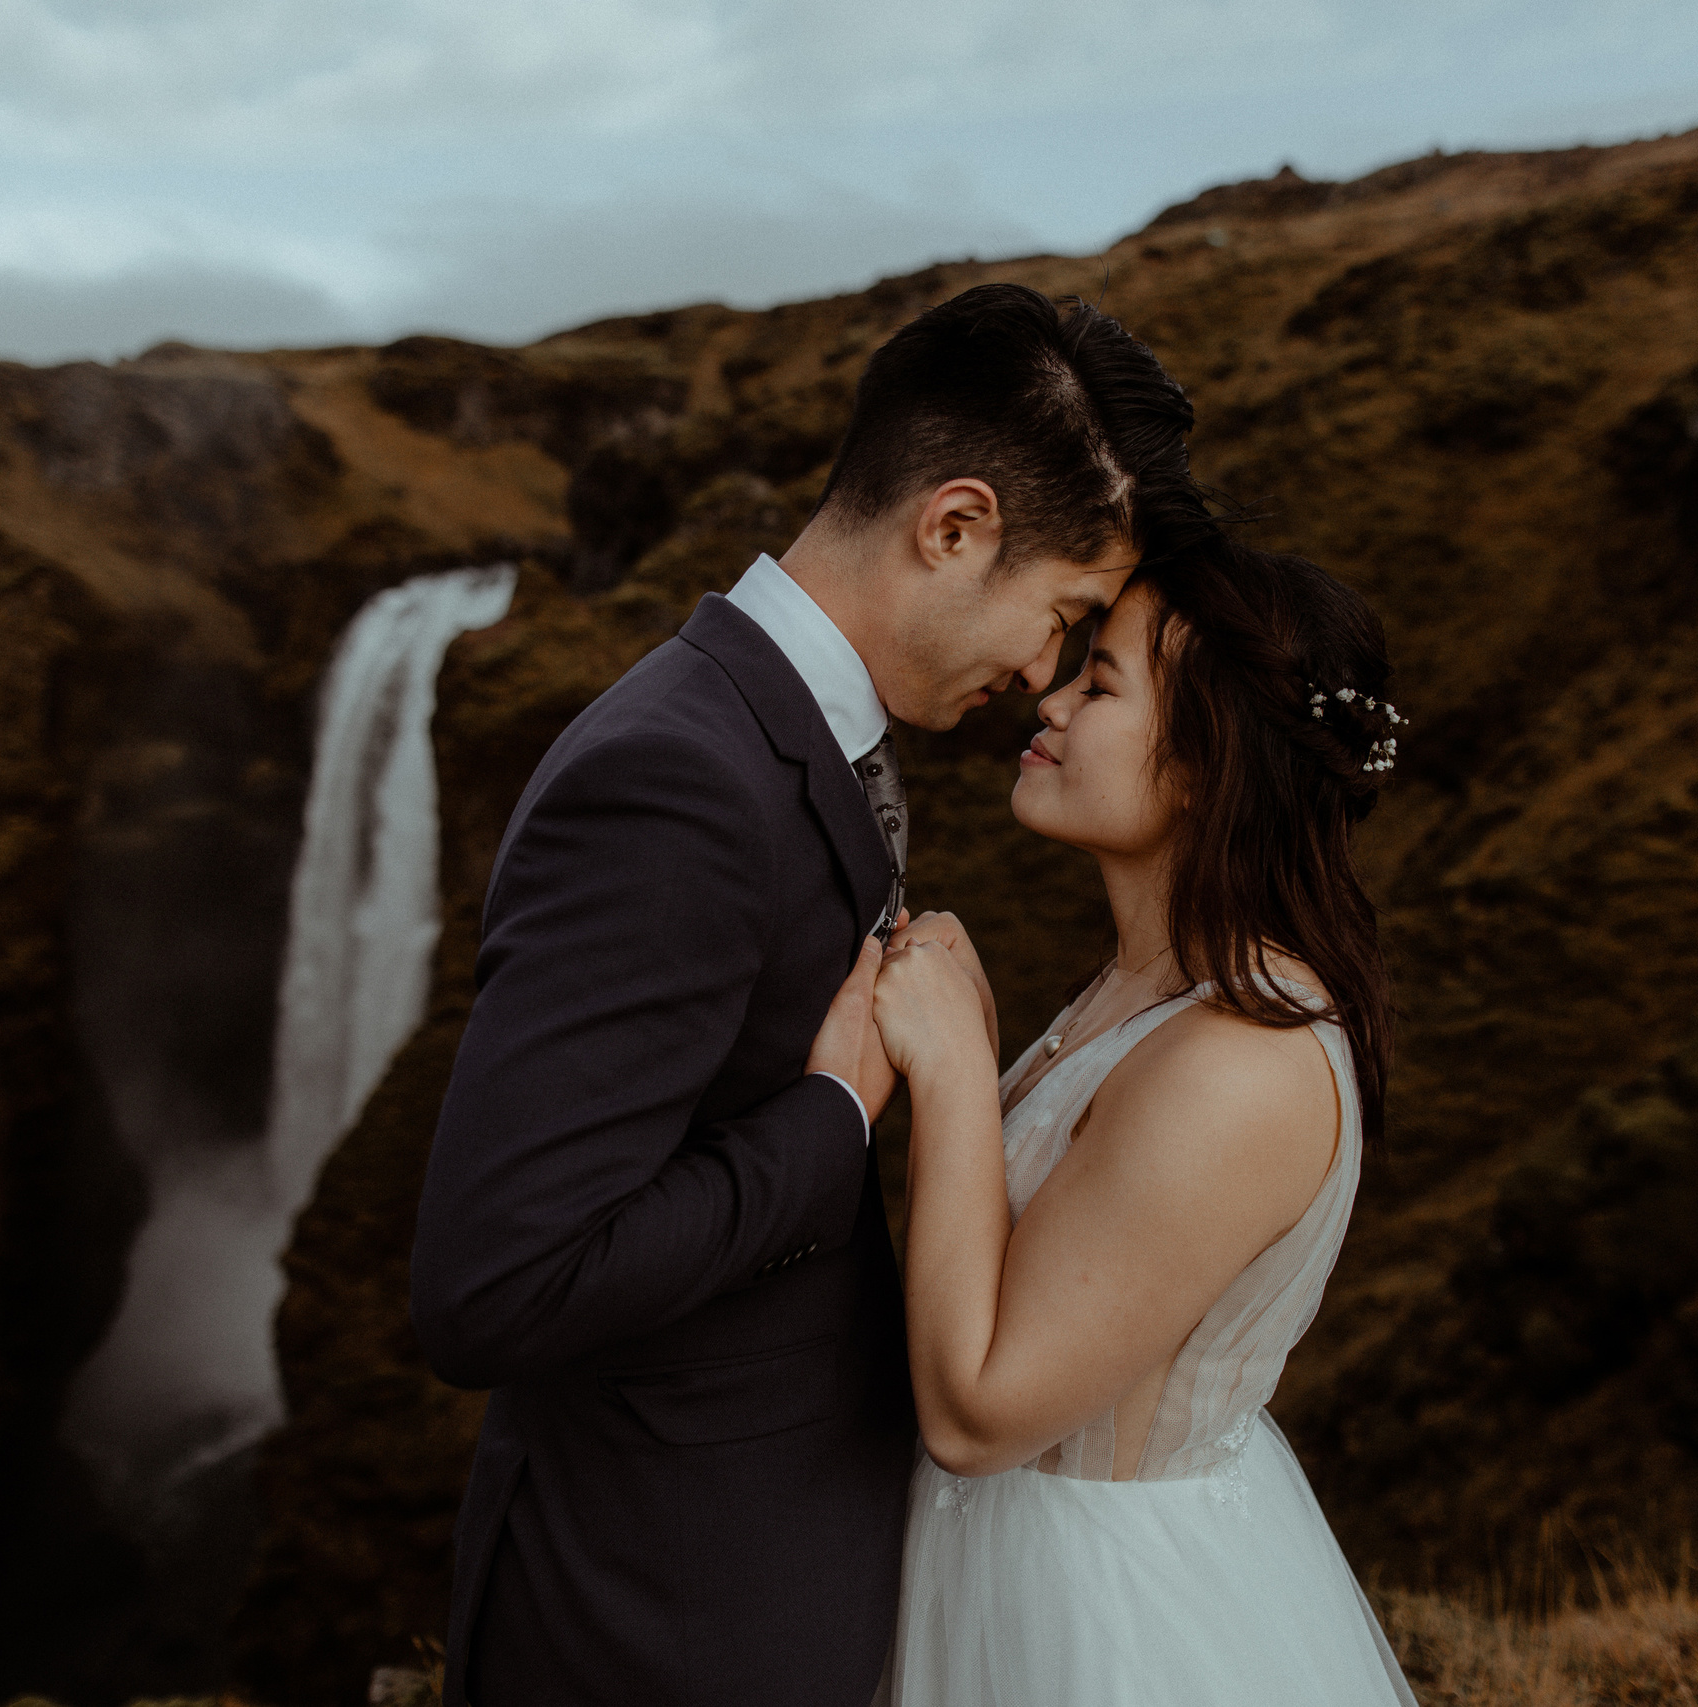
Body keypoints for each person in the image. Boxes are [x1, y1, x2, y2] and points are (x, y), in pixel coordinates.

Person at [409, 282, 1209, 1707]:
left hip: (756, 1580)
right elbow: (494, 1284)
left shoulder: (791, 732)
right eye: (1063, 614)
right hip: (658, 1622)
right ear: (953, 526)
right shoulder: (675, 776)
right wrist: (832, 1114)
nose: (1043, 673)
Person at [868, 538, 1420, 1706]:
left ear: (1202, 768)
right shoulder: (1143, 991)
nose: (1051, 695)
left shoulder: (1240, 1063)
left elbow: (979, 1416)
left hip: (1101, 1616)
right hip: (995, 1565)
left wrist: (958, 1071)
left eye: (1102, 682)